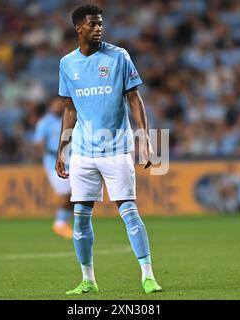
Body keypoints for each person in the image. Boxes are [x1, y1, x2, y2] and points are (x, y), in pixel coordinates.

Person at [55, 4, 162, 294]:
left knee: (129, 210)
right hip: (83, 153)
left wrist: (146, 137)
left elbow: (134, 98)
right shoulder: (67, 63)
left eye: (101, 23)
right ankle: (87, 280)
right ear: (79, 28)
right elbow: (69, 109)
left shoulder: (119, 56)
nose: (99, 28)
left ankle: (148, 275)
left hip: (116, 150)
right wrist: (62, 149)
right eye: (92, 24)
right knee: (80, 215)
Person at [33, 98, 73, 239]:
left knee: (74, 193)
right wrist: (46, 154)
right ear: (51, 106)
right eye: (55, 104)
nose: (58, 106)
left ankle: (63, 222)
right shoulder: (45, 122)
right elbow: (38, 142)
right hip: (53, 161)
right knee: (67, 192)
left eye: (60, 104)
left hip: (71, 160)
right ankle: (60, 223)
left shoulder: (69, 118)